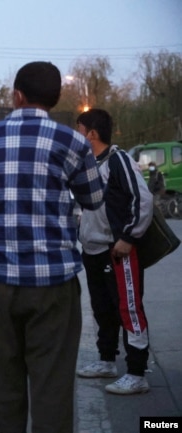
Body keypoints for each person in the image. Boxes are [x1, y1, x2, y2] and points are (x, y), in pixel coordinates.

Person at [0, 61, 105, 433]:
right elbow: (94, 199)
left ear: (17, 96)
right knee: (52, 389)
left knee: (1, 387)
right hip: (54, 286)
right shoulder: (72, 142)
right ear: (54, 100)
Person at [75, 108, 154, 395]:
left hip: (118, 249)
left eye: (79, 129)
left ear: (92, 134)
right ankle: (107, 360)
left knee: (128, 308)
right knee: (102, 309)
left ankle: (136, 373)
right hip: (92, 249)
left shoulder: (118, 160)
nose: (77, 135)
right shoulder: (85, 165)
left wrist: (128, 237)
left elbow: (142, 201)